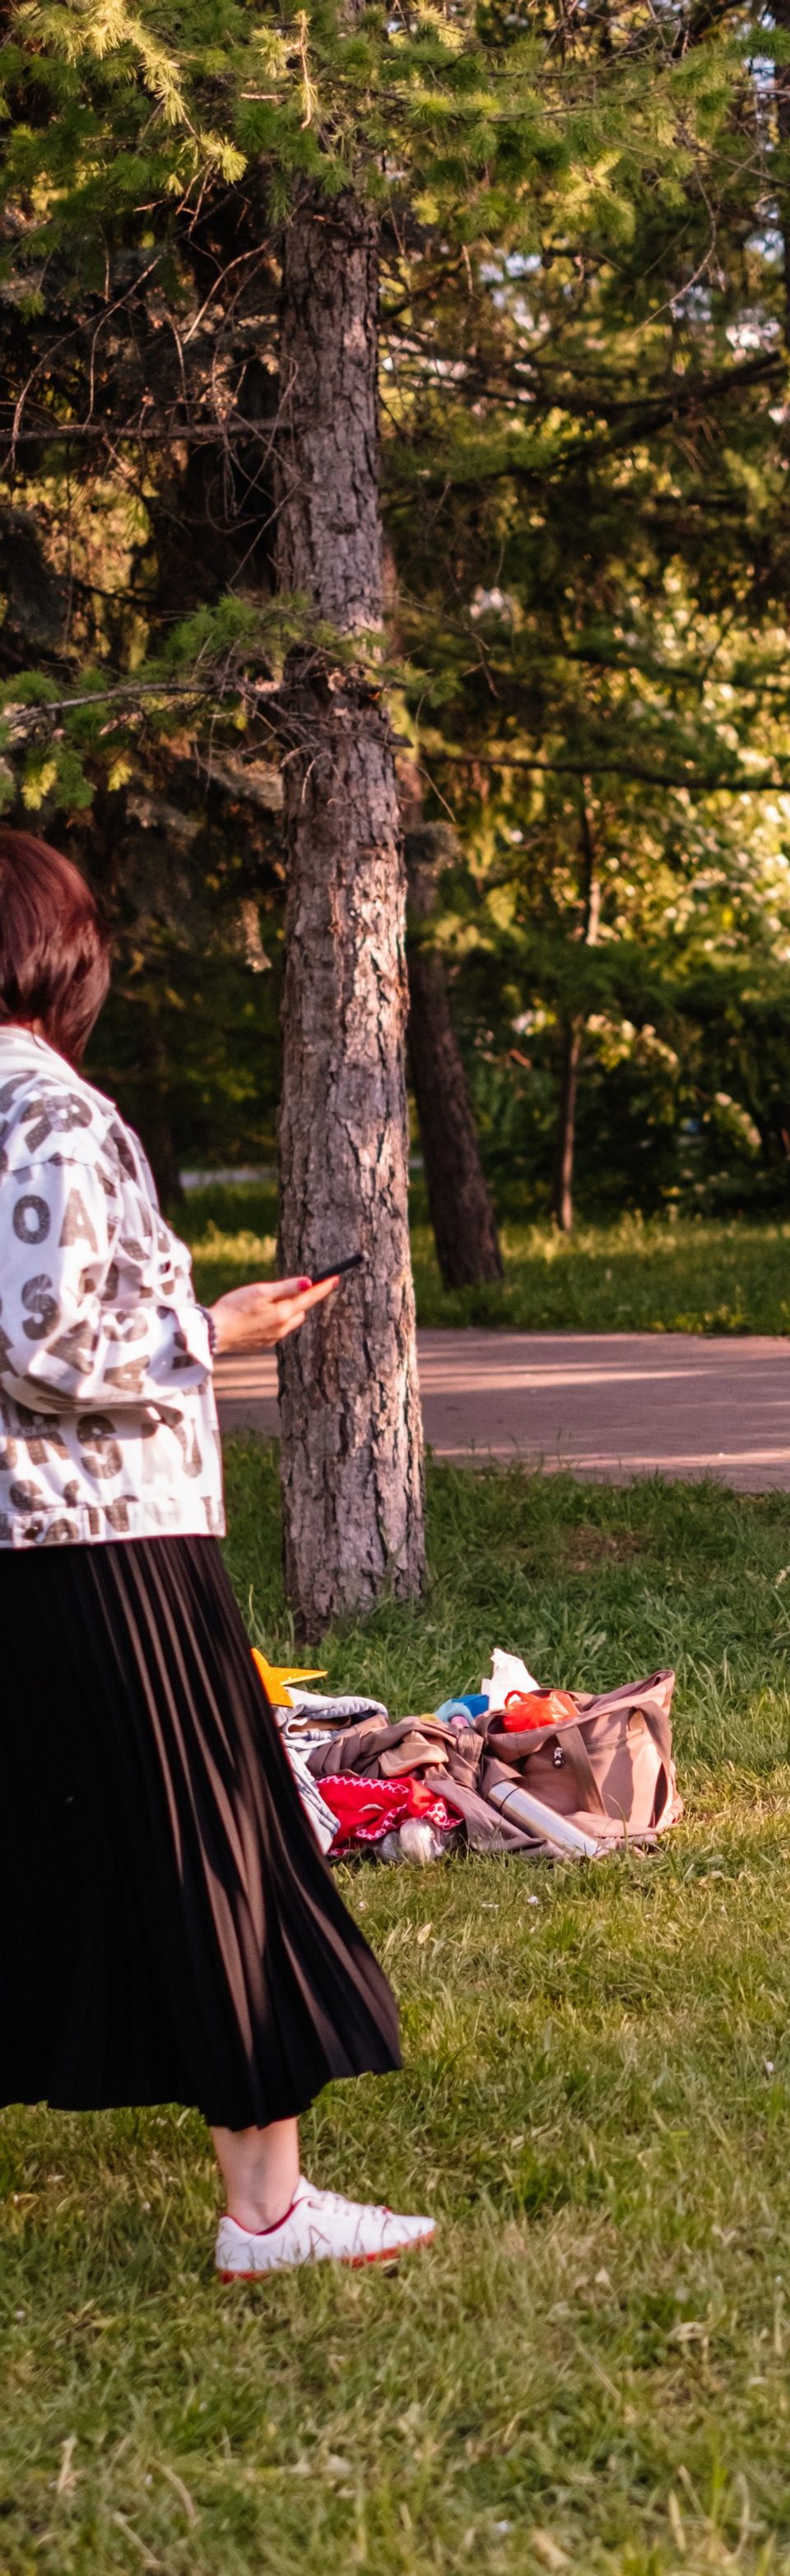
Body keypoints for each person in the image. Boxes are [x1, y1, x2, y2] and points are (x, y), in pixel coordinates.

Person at [0, 833, 434, 2281]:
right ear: (63, 954)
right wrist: (218, 1332)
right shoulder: (49, 1113)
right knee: (218, 1850)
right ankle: (269, 2216)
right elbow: (47, 1342)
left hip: (30, 1540)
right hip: (107, 1536)